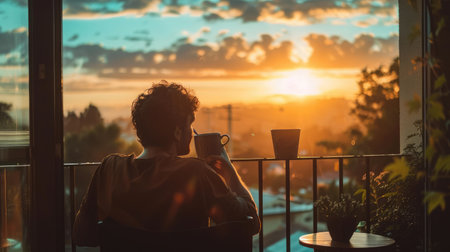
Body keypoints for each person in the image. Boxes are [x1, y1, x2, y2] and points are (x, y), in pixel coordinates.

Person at [72, 80, 260, 246]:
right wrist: (229, 171)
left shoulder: (110, 169)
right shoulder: (196, 173)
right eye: (189, 124)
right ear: (178, 131)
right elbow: (250, 222)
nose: (191, 132)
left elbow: (82, 235)